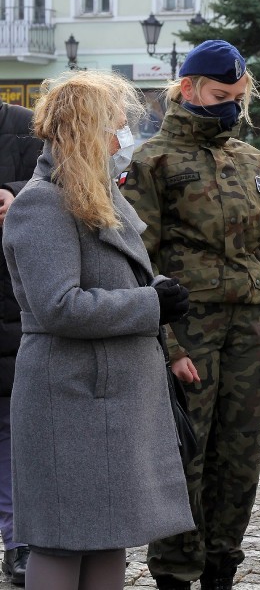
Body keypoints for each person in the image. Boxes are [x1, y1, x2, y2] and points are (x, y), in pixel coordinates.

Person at [119, 40, 260, 590]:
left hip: (250, 333)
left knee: (240, 456)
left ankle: (222, 567)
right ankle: (175, 573)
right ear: (188, 88)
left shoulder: (256, 163)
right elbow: (135, 261)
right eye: (221, 95)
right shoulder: (151, 162)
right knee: (183, 456)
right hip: (188, 330)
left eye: (238, 98)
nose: (230, 106)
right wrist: (168, 346)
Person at [0, 71, 195, 590]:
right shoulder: (43, 203)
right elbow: (59, 306)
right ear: (85, 133)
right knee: (62, 541)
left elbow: (112, 276)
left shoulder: (97, 196)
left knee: (111, 534)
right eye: (114, 128)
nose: (121, 140)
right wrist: (149, 303)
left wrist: (154, 288)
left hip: (109, 396)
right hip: (70, 396)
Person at [0, 100, 42, 586]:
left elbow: (54, 181)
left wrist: (14, 193)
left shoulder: (24, 126)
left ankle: (19, 543)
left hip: (12, 302)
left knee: (13, 434)